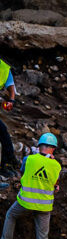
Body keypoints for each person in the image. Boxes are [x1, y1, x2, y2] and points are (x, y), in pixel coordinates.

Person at [0, 132, 61, 239]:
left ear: (40, 146)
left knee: (11, 215)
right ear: (53, 149)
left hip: (25, 202)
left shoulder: (28, 159)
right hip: (44, 207)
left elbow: (23, 172)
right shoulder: (57, 165)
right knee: (42, 237)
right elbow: (55, 184)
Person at [0, 58, 19, 187]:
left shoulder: (4, 68)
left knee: (3, 132)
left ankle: (8, 161)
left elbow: (11, 87)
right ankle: (8, 161)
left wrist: (11, 101)